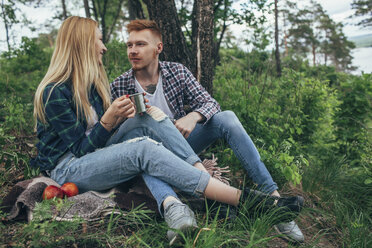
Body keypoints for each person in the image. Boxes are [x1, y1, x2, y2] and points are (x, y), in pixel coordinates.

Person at [110, 19, 305, 243]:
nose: (133, 51)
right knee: (145, 149)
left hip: (183, 146)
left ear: (158, 48)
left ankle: (275, 202)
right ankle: (177, 212)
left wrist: (192, 117)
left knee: (227, 118)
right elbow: (115, 137)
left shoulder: (177, 73)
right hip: (147, 156)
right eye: (129, 45)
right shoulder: (120, 85)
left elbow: (211, 104)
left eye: (141, 44)